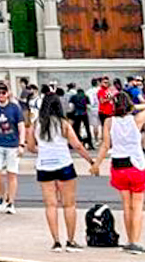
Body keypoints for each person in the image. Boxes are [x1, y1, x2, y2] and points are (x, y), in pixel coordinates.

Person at [25, 88, 94, 251]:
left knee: (51, 205)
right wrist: (91, 160)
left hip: (44, 166)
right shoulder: (64, 124)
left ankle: (56, 241)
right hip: (64, 165)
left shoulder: (36, 125)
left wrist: (43, 150)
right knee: (69, 205)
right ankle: (70, 241)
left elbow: (30, 147)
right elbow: (77, 145)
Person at [97, 91, 145, 253]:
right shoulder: (136, 120)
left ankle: (129, 240)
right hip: (136, 164)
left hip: (118, 165)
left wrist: (96, 164)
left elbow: (106, 145)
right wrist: (131, 107)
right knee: (138, 206)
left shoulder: (109, 122)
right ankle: (135, 241)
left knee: (126, 206)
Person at [0, 82, 27, 214]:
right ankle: (3, 196)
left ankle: (11, 202)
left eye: (3, 92)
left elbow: (21, 126)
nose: (1, 95)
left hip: (12, 145)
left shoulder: (15, 108)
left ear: (8, 93)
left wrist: (21, 144)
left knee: (11, 174)